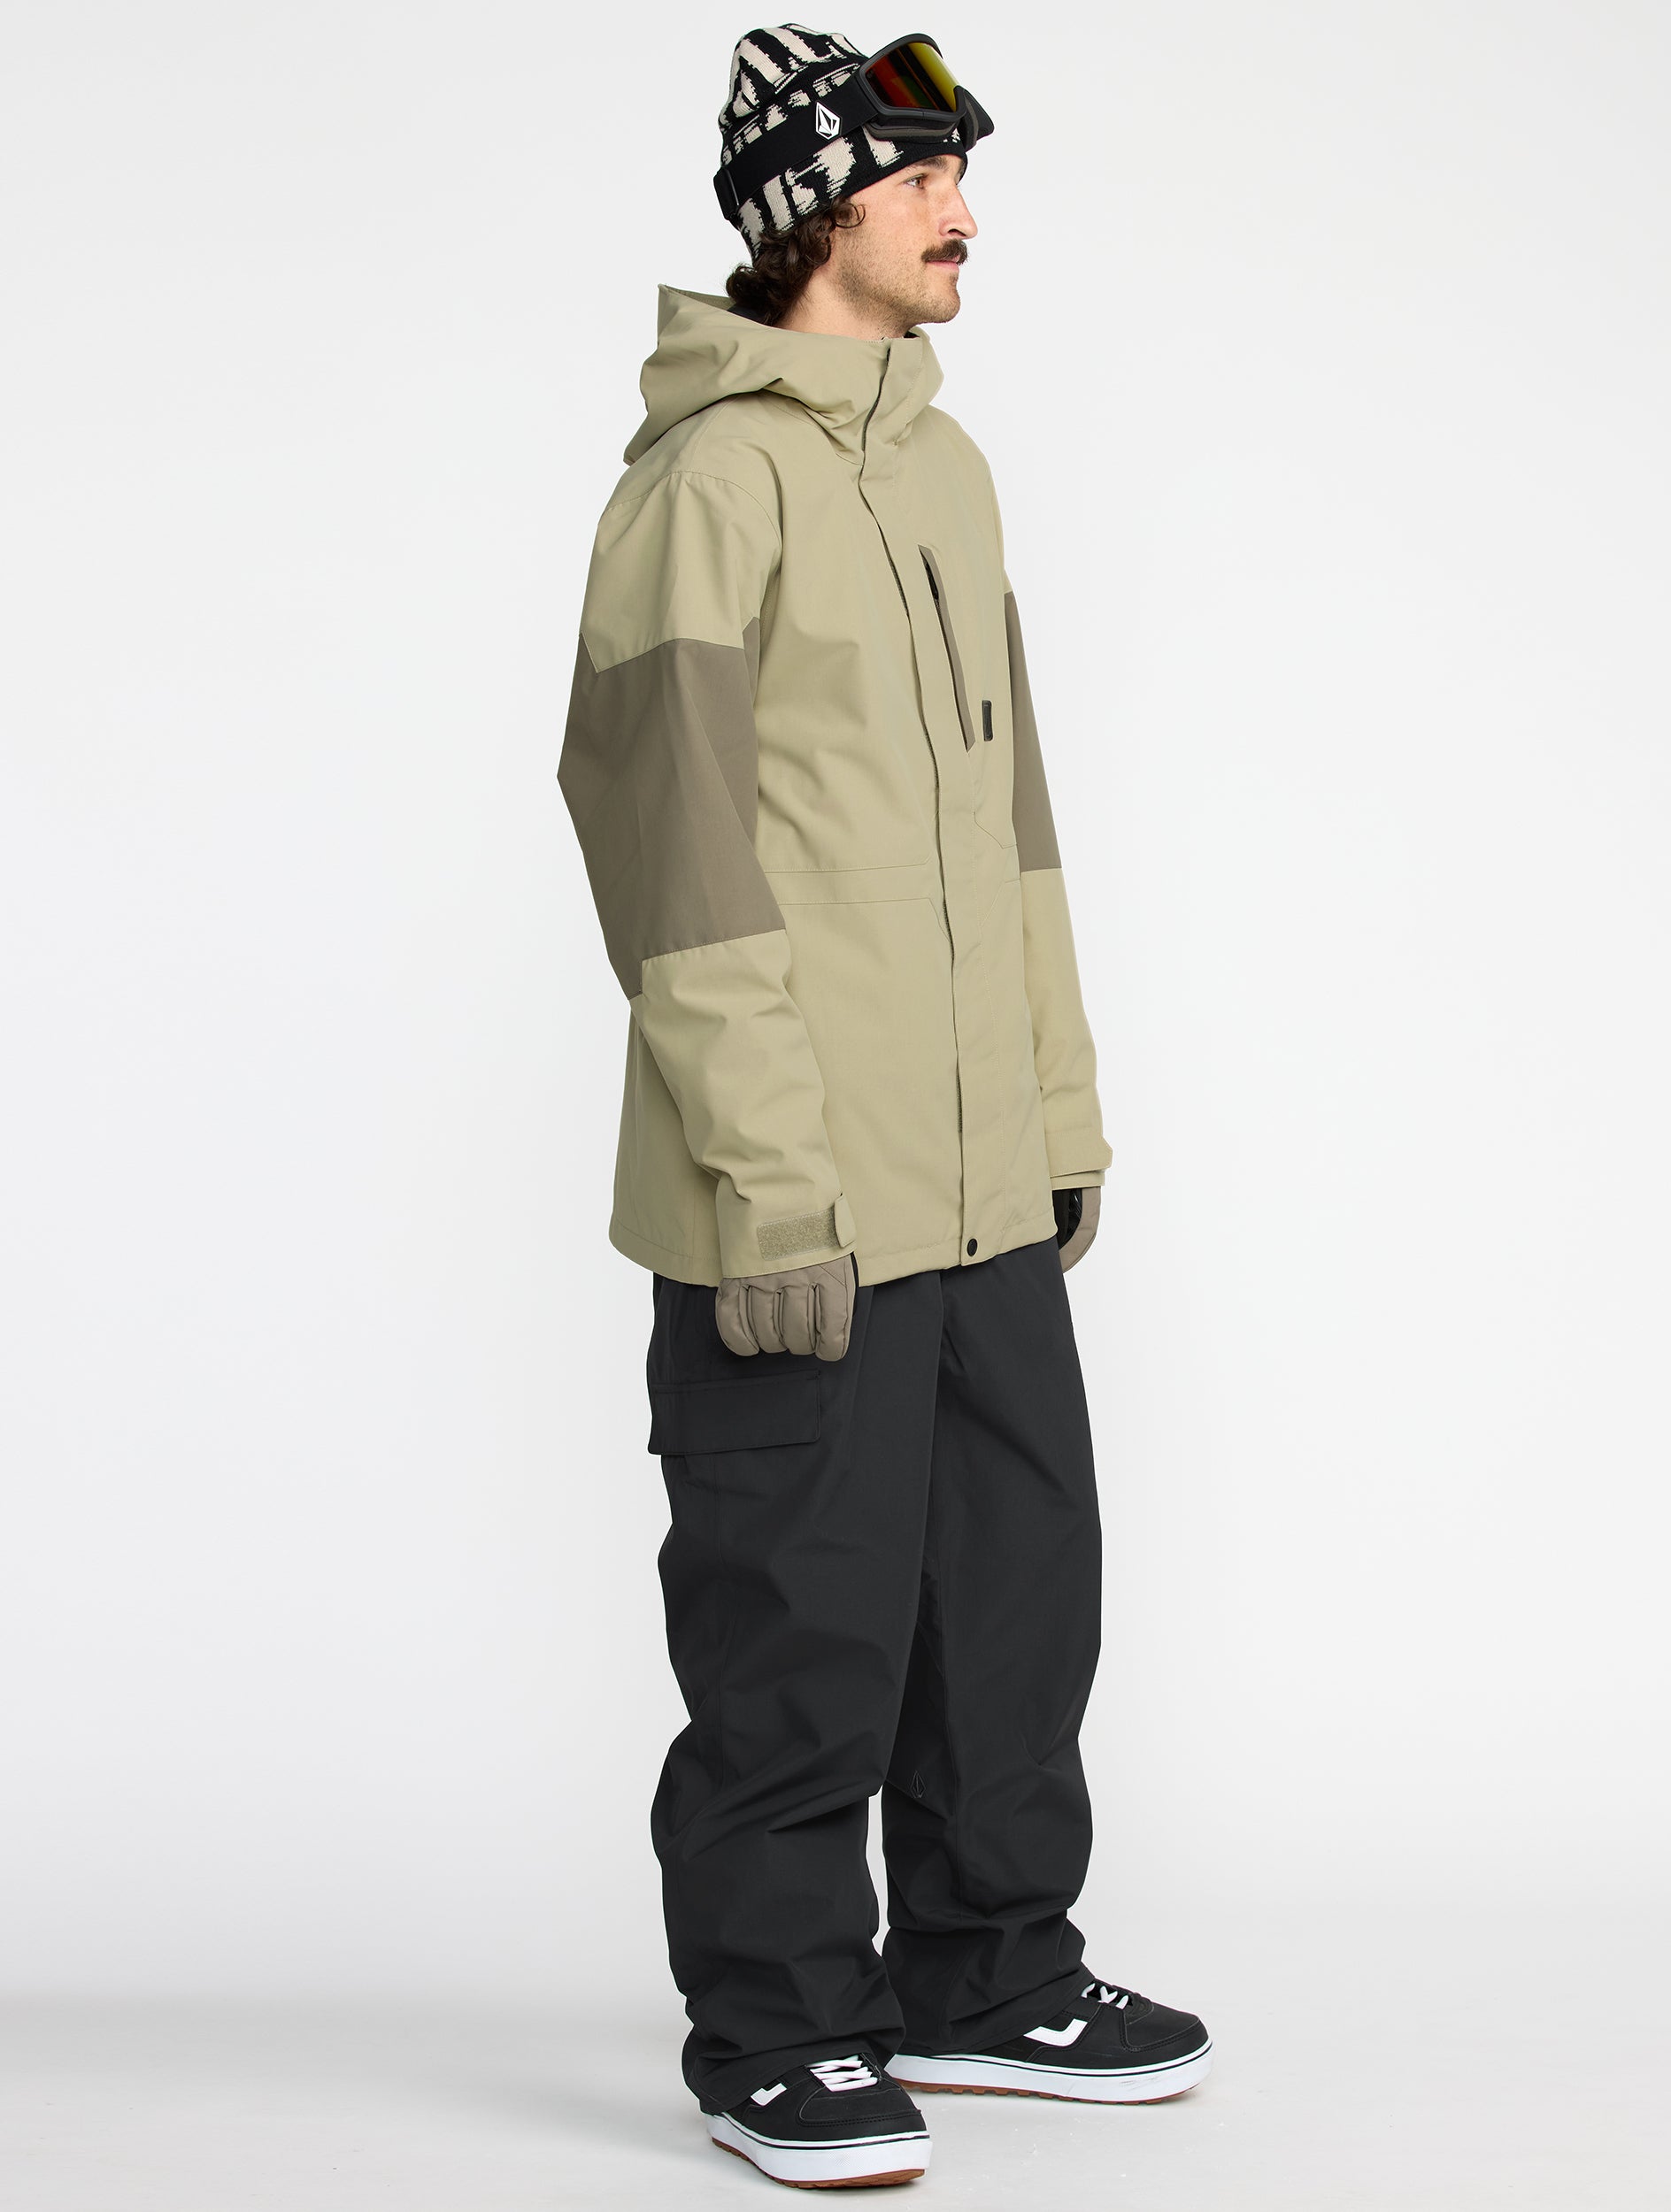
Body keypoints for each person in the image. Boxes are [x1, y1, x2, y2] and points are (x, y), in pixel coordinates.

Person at [557, 23, 1211, 2190]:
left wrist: (1057, 1106)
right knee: (799, 1618)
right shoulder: (706, 485)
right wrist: (766, 1176)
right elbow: (668, 850)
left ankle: (989, 1968)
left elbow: (1011, 822)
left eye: (956, 176)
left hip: (977, 1178)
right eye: (921, 177)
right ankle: (775, 2026)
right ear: (809, 208)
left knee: (1014, 1593)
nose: (961, 213)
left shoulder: (947, 471)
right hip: (804, 1191)